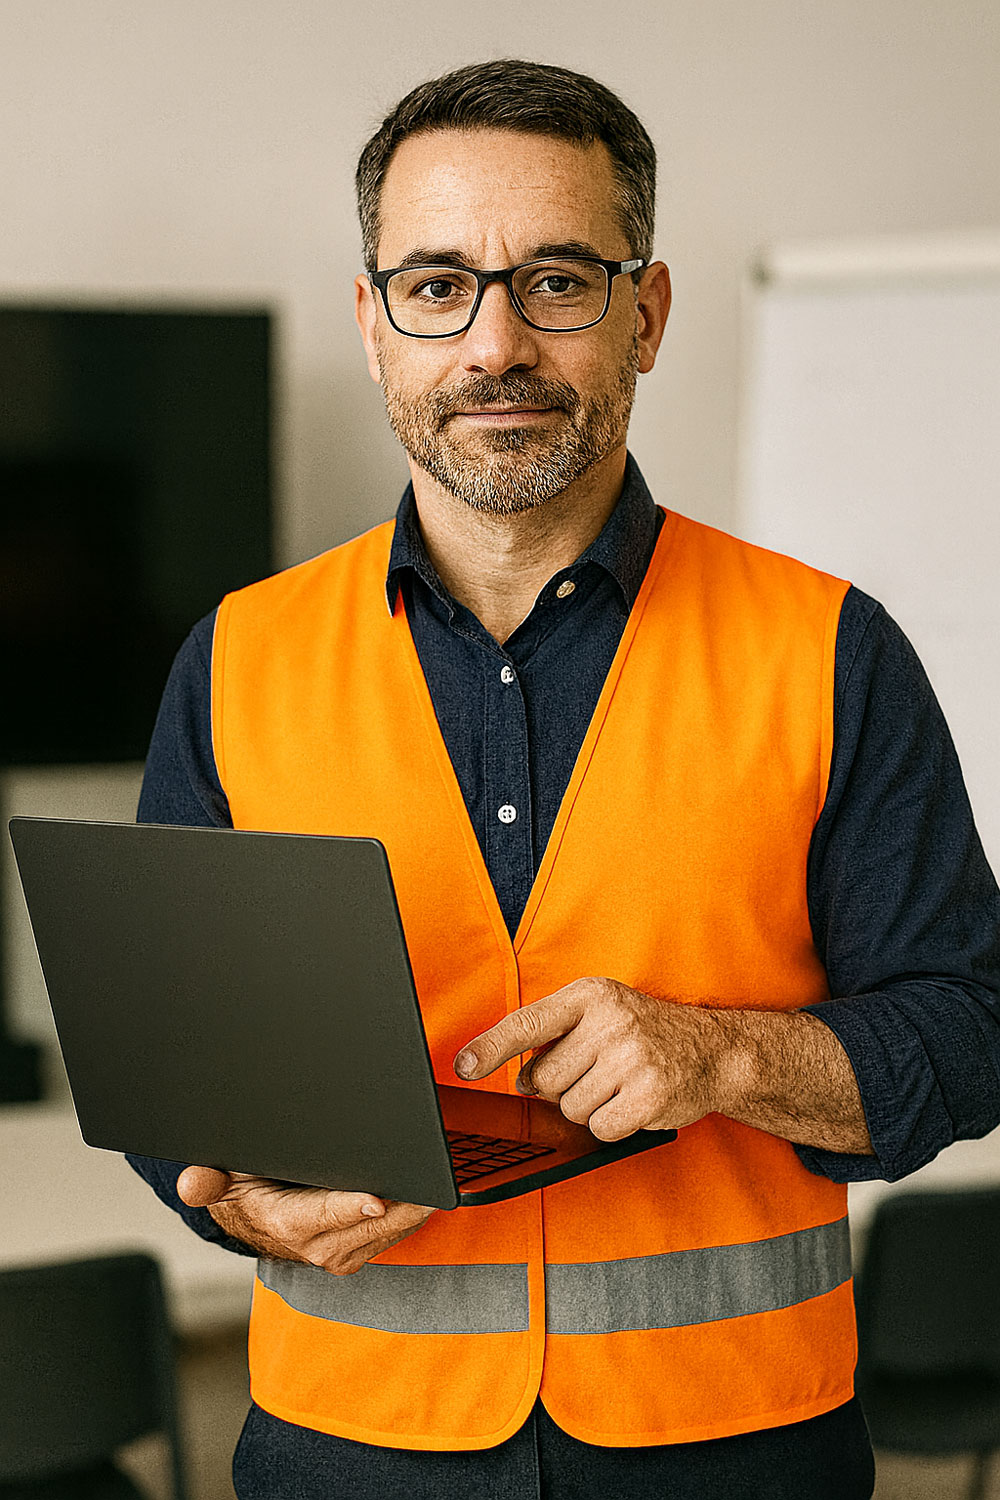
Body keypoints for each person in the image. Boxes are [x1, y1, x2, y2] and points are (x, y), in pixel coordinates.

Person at [129, 58, 1000, 1500]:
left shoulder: (829, 650)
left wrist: (727, 1056)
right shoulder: (236, 659)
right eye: (435, 285)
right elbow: (173, 1065)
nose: (493, 343)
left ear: (645, 314)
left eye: (556, 281)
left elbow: (969, 1035)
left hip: (734, 1450)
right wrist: (227, 1202)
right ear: (373, 323)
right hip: (350, 1452)